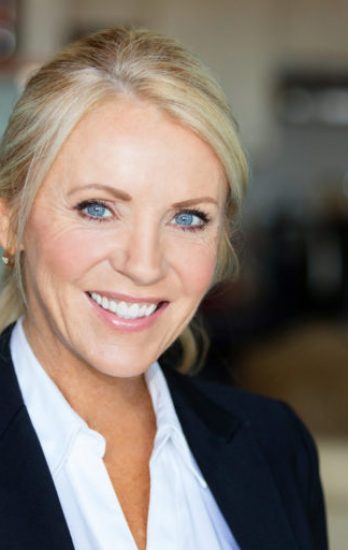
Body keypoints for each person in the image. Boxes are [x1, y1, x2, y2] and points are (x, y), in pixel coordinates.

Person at [0, 27, 327, 550]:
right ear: (9, 220)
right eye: (98, 208)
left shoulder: (275, 444)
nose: (145, 265)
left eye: (188, 218)